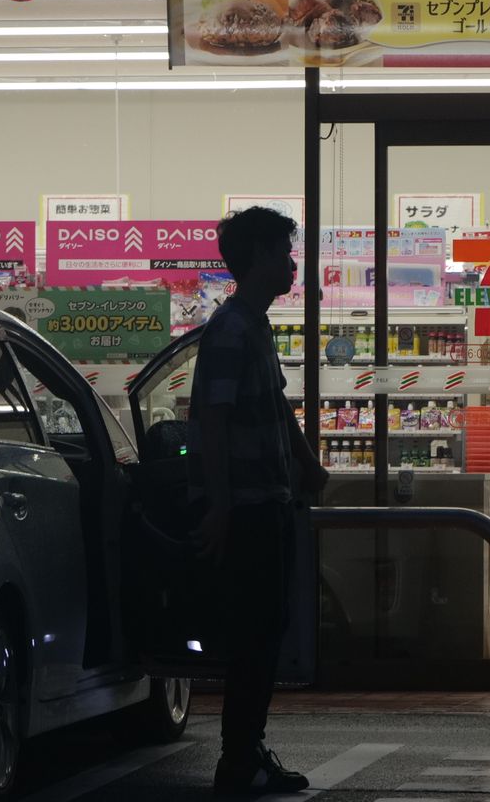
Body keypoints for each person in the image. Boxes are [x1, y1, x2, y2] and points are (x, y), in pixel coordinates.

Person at [190, 207, 327, 795]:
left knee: (265, 632)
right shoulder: (232, 330)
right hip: (245, 508)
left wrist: (305, 463)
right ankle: (238, 760)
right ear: (258, 259)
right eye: (282, 252)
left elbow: (273, 408)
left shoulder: (254, 326)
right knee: (254, 637)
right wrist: (219, 504)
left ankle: (245, 753)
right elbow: (211, 421)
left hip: (266, 500)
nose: (291, 262)